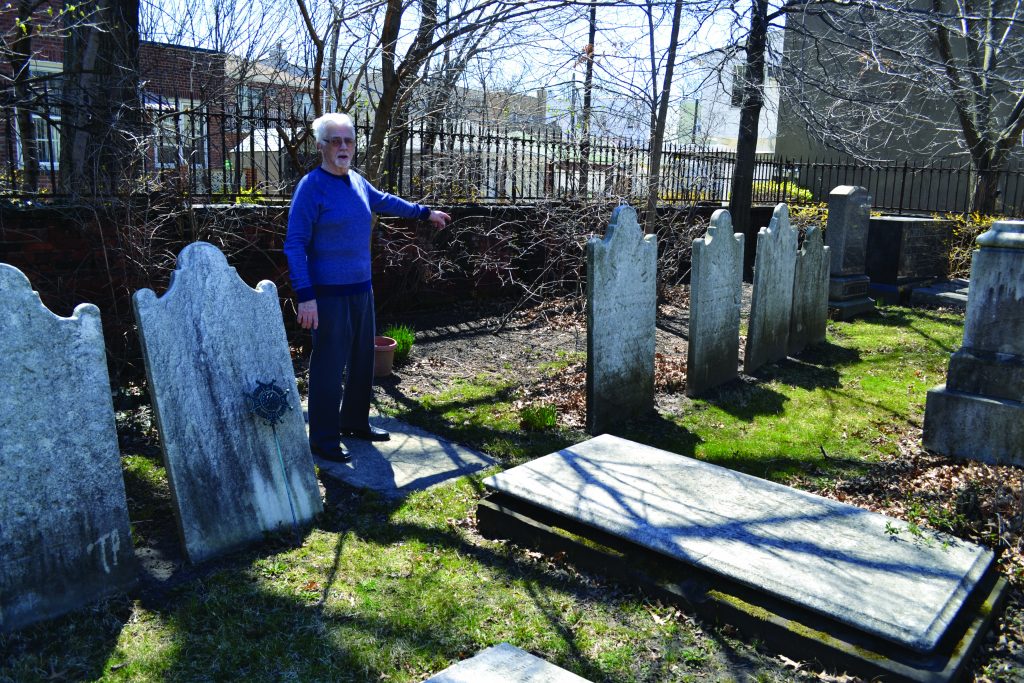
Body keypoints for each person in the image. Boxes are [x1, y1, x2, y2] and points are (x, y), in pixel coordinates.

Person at [284, 112, 451, 462]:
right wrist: (306, 296)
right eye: (336, 141)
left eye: (348, 140)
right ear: (321, 146)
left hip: (361, 289)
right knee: (329, 366)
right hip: (327, 294)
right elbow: (295, 244)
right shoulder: (311, 187)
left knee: (362, 361)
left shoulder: (357, 182)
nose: (344, 147)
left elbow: (386, 200)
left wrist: (425, 213)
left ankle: (355, 422)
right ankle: (324, 439)